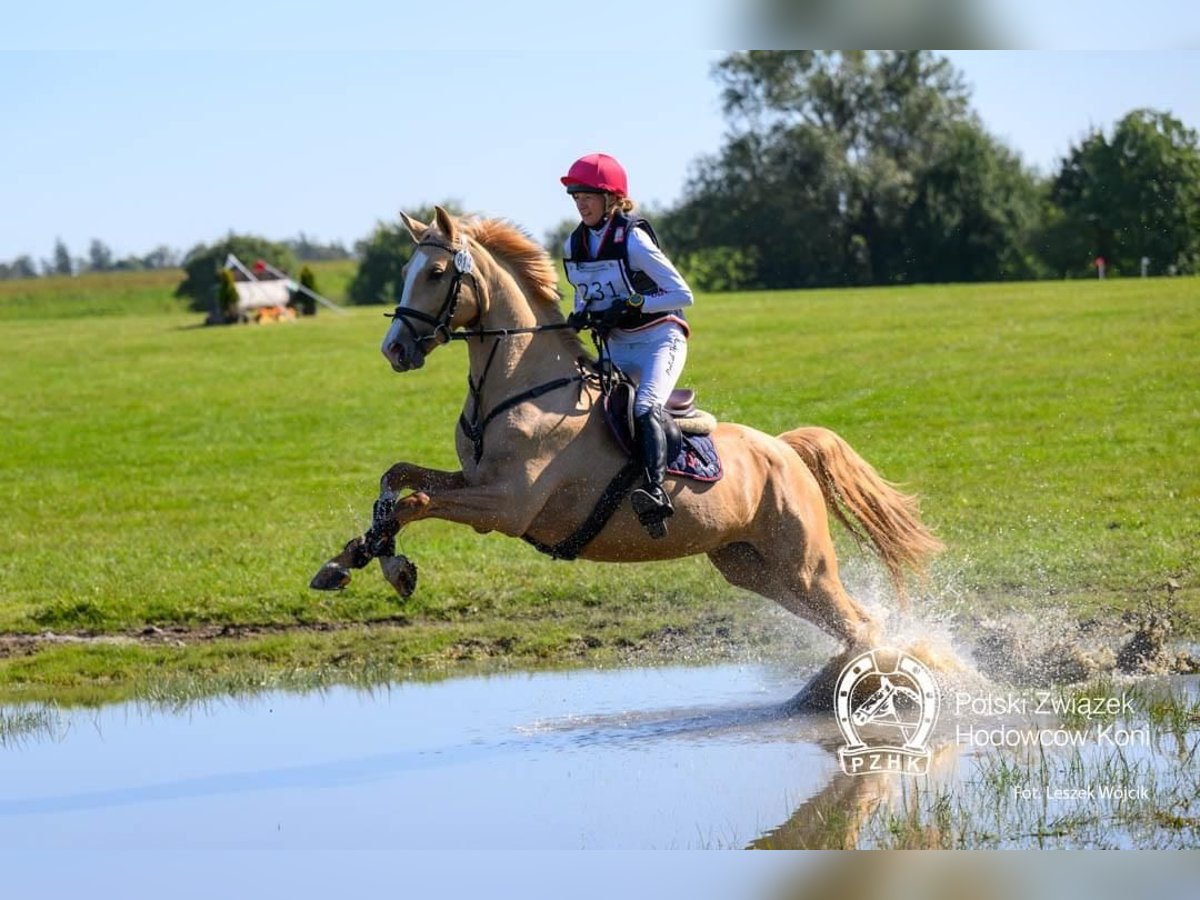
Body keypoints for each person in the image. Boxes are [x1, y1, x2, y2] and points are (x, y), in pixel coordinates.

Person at [559, 152, 694, 539]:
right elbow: (585, 293)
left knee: (646, 405)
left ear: (612, 199)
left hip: (658, 339)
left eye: (588, 195)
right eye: (576, 196)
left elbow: (682, 294)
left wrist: (637, 302)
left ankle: (655, 491)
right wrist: (580, 314)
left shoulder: (632, 238)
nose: (581, 203)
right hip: (617, 344)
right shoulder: (575, 243)